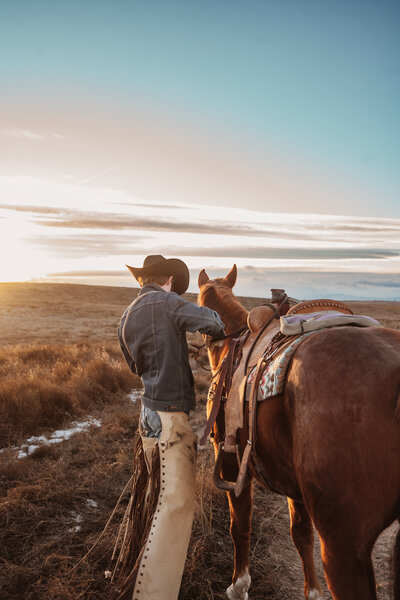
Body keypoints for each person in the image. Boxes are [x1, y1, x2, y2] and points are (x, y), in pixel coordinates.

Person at [116, 254, 225, 600]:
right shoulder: (168, 301)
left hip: (147, 411)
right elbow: (212, 321)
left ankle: (133, 564)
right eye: (174, 284)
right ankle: (153, 593)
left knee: (152, 491)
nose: (175, 288)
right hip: (171, 416)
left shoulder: (127, 315)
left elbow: (135, 366)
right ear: (167, 279)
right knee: (177, 501)